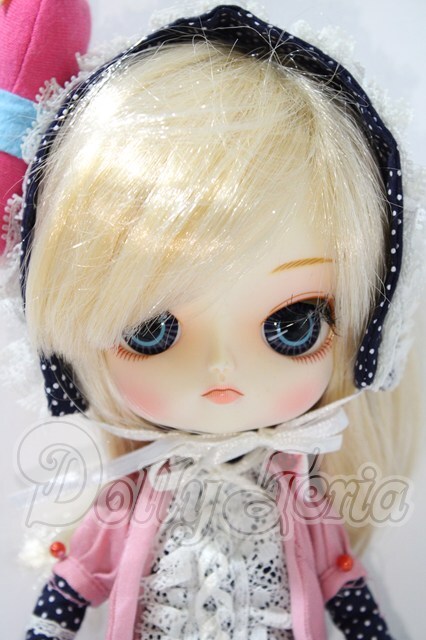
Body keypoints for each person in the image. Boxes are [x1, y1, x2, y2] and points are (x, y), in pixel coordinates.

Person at [2, 3, 423, 639]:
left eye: (293, 325)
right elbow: (79, 575)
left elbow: (339, 575)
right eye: (150, 330)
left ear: (367, 342)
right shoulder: (137, 489)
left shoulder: (296, 488)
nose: (221, 367)